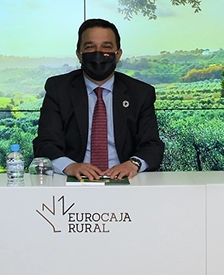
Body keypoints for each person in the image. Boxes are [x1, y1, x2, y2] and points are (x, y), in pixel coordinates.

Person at [33, 18, 165, 180]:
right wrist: (70, 166)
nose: (98, 53)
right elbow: (45, 143)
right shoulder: (59, 89)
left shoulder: (140, 93)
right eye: (90, 47)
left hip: (126, 180)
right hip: (74, 180)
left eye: (106, 47)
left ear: (118, 55)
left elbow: (152, 144)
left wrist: (132, 164)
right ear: (79, 54)